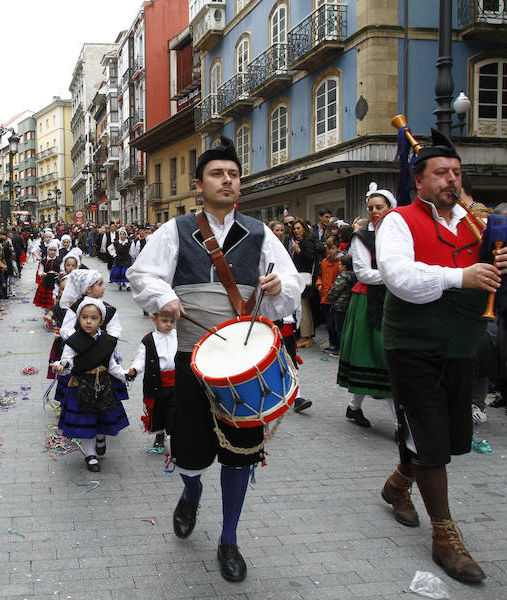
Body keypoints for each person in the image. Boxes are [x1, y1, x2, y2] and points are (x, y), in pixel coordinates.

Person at [127, 136, 300, 583]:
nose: (228, 180)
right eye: (217, 174)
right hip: (190, 357)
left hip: (243, 362)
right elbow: (142, 274)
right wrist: (165, 297)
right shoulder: (175, 230)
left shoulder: (261, 234)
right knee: (189, 450)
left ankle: (229, 537)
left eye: (233, 174)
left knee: (242, 454)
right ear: (198, 185)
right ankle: (191, 492)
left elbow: (291, 288)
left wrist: (281, 289)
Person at [375, 129, 507, 583]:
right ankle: (445, 537)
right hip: (411, 344)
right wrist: (459, 277)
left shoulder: (482, 222)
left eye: (456, 173)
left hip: (460, 346)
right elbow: (398, 276)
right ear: (419, 180)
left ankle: (396, 486)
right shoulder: (399, 220)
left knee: (443, 434)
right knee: (430, 436)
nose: (451, 180)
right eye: (441, 173)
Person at [337, 183, 397, 429]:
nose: (374, 211)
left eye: (379, 207)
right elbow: (363, 274)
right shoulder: (362, 237)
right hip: (368, 302)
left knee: (382, 359)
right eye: (371, 207)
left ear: (391, 208)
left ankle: (354, 407)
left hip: (394, 300)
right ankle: (399, 424)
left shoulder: (399, 234)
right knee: (379, 358)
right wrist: (397, 275)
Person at [50, 298, 130, 473]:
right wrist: (61, 366)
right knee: (85, 420)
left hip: (103, 384)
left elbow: (112, 366)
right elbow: (67, 361)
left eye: (93, 318)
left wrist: (126, 376)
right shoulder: (74, 341)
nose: (88, 321)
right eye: (84, 317)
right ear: (78, 319)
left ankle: (100, 438)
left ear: (101, 321)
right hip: (80, 386)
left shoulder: (107, 341)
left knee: (101, 417)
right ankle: (90, 454)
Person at [126, 312, 177, 449]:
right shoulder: (148, 340)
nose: (169, 324)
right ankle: (159, 434)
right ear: (155, 319)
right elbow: (141, 358)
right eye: (165, 321)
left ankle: (172, 437)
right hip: (156, 382)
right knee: (158, 411)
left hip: (176, 382)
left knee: (174, 411)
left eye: (172, 321)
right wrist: (135, 369)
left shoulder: (178, 336)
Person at [289, 217, 318, 347]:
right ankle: (307, 335)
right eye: (294, 229)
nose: (296, 231)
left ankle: (306, 336)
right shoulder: (301, 241)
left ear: (304, 229)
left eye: (298, 228)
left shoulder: (308, 241)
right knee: (303, 307)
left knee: (303, 307)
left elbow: (311, 258)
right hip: (300, 278)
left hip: (304, 279)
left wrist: (298, 252)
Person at [325, 254, 356, 359]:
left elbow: (335, 291)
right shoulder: (355, 276)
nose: (338, 266)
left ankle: (342, 350)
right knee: (344, 327)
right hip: (348, 305)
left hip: (339, 305)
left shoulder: (342, 277)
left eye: (340, 264)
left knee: (339, 328)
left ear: (344, 267)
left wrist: (329, 297)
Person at [315, 239, 341, 352]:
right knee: (329, 323)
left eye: (332, 248)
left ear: (337, 248)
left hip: (335, 297)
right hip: (324, 295)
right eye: (328, 248)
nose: (329, 251)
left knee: (335, 323)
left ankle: (336, 344)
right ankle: (332, 343)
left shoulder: (339, 262)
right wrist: (319, 284)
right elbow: (319, 276)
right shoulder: (324, 262)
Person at [34, 242, 61, 309]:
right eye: (50, 250)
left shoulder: (59, 260)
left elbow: (62, 269)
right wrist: (42, 274)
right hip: (46, 282)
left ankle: (54, 312)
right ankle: (47, 311)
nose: (52, 252)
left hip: (56, 282)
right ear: (47, 250)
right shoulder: (44, 261)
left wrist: (60, 274)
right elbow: (40, 271)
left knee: (55, 297)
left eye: (54, 250)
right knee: (47, 300)